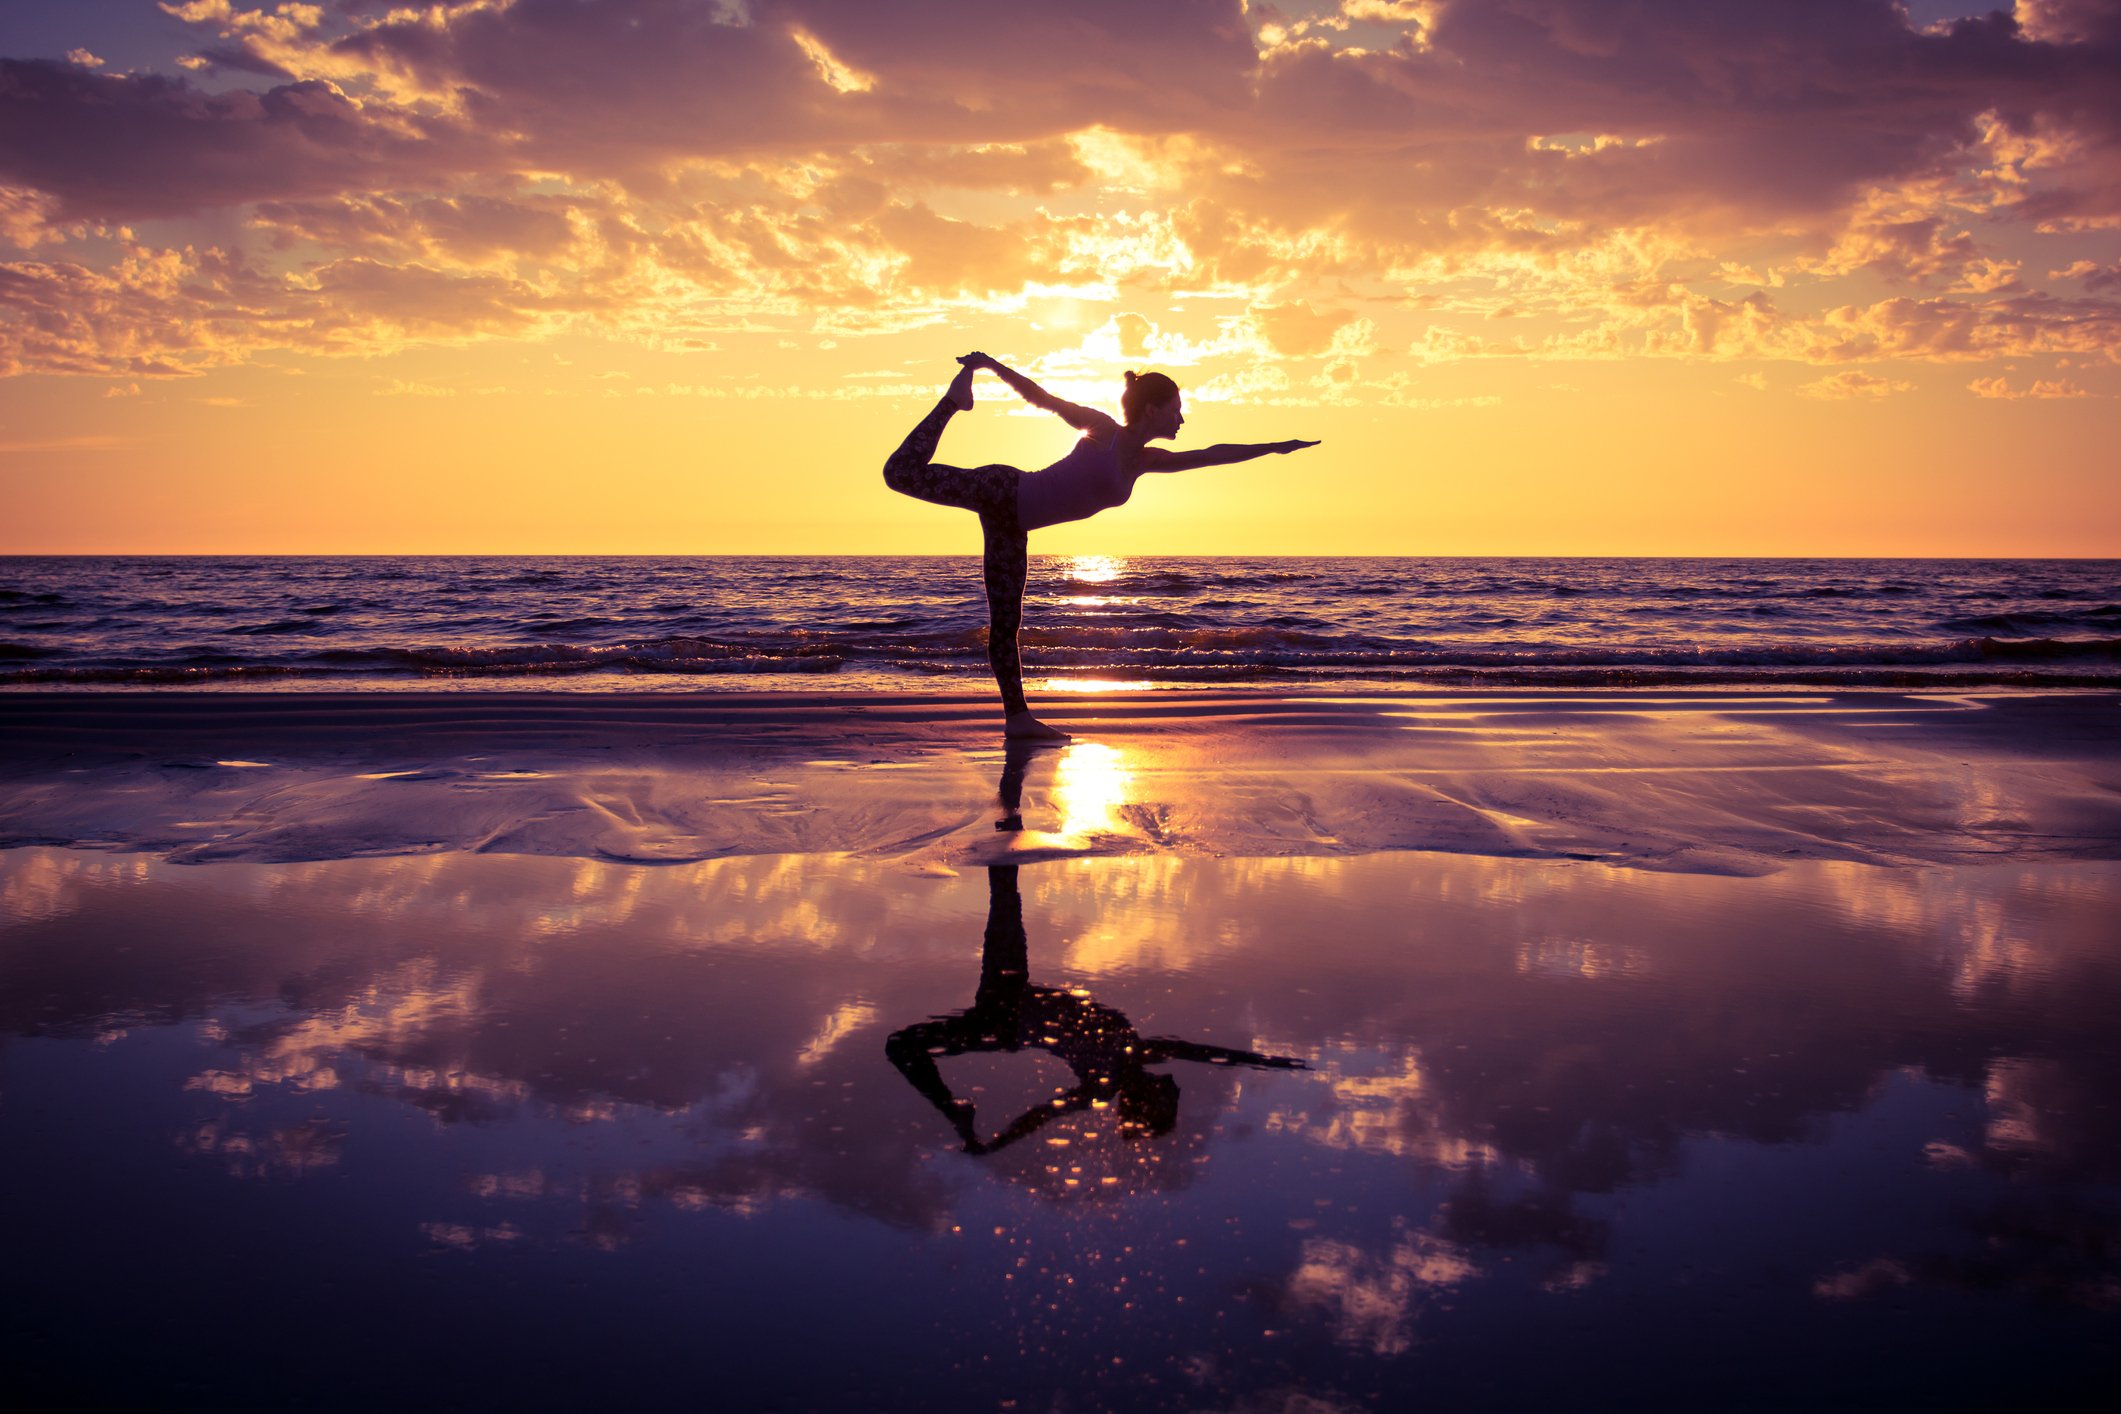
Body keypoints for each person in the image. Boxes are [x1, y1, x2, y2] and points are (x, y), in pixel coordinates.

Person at [882, 352, 1320, 738]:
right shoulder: (1102, 428)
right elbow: (1043, 399)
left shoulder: (1147, 462)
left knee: (1005, 626)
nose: (1181, 419)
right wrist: (992, 367)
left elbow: (1213, 453)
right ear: (1152, 409)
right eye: (1176, 410)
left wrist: (1274, 447)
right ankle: (954, 402)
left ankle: (1017, 718)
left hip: (1013, 526)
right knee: (898, 472)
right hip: (1002, 489)